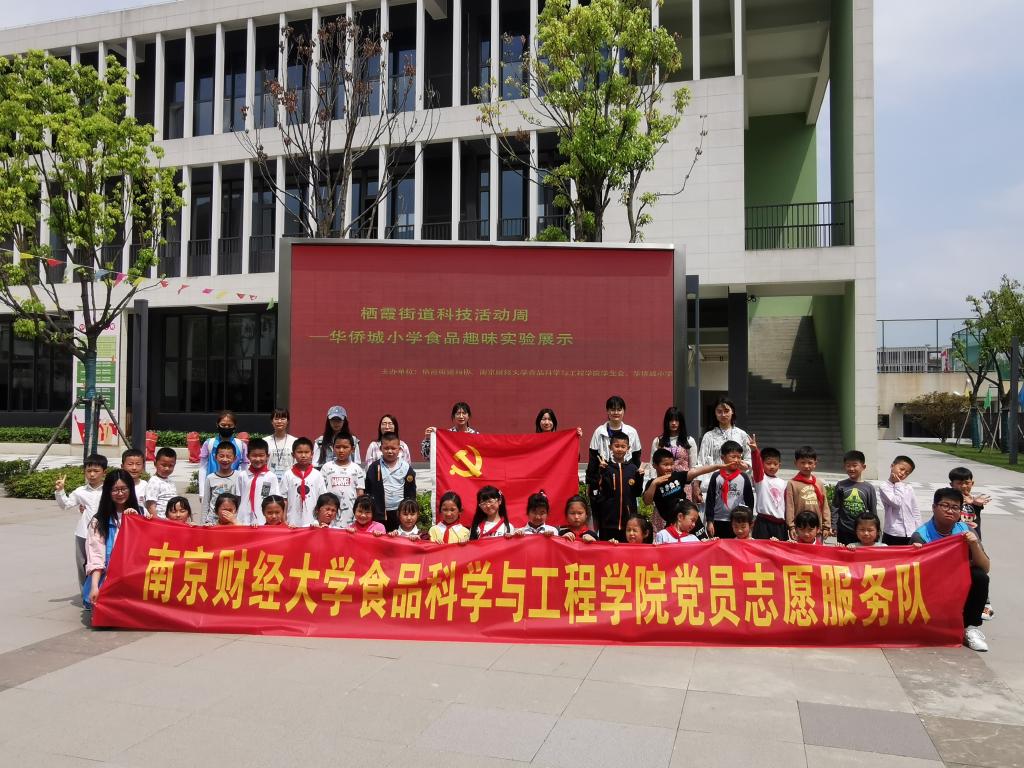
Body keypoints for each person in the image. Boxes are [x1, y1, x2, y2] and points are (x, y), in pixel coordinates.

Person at [911, 488, 991, 652]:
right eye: (945, 505)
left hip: (957, 580)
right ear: (934, 507)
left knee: (980, 577)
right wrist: (916, 554)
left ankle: (970, 627)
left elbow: (985, 567)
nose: (950, 511)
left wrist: (974, 545)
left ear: (960, 511)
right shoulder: (921, 535)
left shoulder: (966, 530)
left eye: (955, 507)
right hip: (931, 584)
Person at [84, 469, 142, 608]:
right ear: (107, 492)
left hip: (135, 576)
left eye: (124, 489)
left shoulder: (141, 513)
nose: (120, 493)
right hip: (109, 577)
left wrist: (137, 520)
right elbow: (96, 555)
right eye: (115, 490)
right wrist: (95, 586)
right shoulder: (98, 521)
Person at [643, 447, 724, 538]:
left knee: (702, 542)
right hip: (674, 524)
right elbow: (647, 501)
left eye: (671, 464)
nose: (669, 468)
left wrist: (718, 466)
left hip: (691, 519)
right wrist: (654, 483)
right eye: (665, 465)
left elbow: (697, 471)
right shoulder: (652, 484)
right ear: (655, 465)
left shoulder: (677, 476)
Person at [54, 453, 107, 588]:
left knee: (103, 563)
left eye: (96, 471)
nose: (92, 474)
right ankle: (85, 594)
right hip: (83, 534)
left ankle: (102, 591)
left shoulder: (109, 490)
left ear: (104, 472)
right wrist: (60, 491)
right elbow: (65, 505)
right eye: (89, 471)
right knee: (83, 564)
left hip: (104, 533)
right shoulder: (80, 491)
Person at [949, 466, 993, 619]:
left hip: (974, 542)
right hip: (956, 544)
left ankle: (985, 603)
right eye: (959, 483)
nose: (964, 486)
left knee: (981, 569)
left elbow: (977, 505)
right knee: (959, 571)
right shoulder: (951, 501)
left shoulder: (974, 501)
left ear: (972, 483)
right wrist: (961, 502)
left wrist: (976, 503)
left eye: (967, 483)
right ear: (951, 484)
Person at [586, 430, 645, 541]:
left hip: (628, 523)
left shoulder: (633, 469)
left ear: (628, 448)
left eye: (623, 446)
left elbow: (637, 492)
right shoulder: (606, 468)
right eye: (616, 446)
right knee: (606, 550)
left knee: (625, 550)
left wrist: (640, 477)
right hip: (608, 522)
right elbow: (599, 492)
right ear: (610, 447)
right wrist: (601, 472)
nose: (619, 449)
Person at [648, 407, 700, 523]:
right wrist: (653, 485)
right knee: (663, 516)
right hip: (664, 485)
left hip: (684, 485)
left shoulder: (689, 440)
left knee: (684, 515)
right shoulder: (658, 441)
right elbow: (652, 465)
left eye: (677, 420)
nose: (674, 423)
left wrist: (696, 487)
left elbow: (694, 467)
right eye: (671, 420)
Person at [695, 397, 751, 496]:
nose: (723, 415)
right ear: (715, 413)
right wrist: (696, 485)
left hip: (737, 484)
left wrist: (745, 465)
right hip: (713, 483)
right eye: (719, 411)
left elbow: (749, 458)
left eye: (726, 411)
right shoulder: (709, 436)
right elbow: (701, 462)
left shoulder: (742, 434)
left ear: (732, 411)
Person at [364, 431, 416, 531]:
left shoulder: (406, 468)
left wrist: (410, 508)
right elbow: (368, 490)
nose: (390, 451)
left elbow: (411, 491)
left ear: (399, 449)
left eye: (393, 448)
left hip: (400, 511)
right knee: (380, 535)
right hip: (380, 512)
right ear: (381, 449)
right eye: (386, 448)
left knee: (398, 536)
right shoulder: (375, 467)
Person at [704, 440, 755, 539]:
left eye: (739, 457)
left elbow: (749, 501)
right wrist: (709, 521)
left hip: (737, 522)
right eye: (733, 457)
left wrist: (748, 520)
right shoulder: (716, 476)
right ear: (722, 457)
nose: (736, 460)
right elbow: (710, 500)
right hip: (718, 520)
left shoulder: (743, 477)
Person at [831, 450, 879, 546]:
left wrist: (875, 530)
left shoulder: (869, 488)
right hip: (844, 529)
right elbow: (835, 506)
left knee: (860, 553)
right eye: (848, 465)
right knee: (844, 552)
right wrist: (833, 525)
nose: (851, 468)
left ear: (863, 467)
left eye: (854, 465)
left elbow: (873, 511)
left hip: (862, 530)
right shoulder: (841, 485)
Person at [197, 410, 249, 497]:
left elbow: (244, 469)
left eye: (229, 425)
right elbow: (203, 468)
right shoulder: (209, 443)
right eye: (223, 425)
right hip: (212, 489)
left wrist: (243, 491)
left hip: (233, 490)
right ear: (217, 425)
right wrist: (202, 492)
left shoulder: (241, 445)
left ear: (235, 426)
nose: (226, 427)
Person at [784, 445, 830, 541]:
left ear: (815, 464)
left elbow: (825, 506)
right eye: (802, 462)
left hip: (816, 529)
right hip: (800, 528)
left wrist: (826, 526)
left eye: (810, 463)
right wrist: (791, 526)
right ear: (796, 463)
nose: (806, 466)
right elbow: (790, 506)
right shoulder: (792, 483)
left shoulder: (819, 483)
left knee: (817, 548)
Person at [319, 433, 366, 529]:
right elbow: (321, 493)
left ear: (352, 449)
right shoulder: (326, 467)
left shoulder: (357, 469)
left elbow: (360, 494)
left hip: (350, 516)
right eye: (338, 447)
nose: (341, 450)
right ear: (333, 448)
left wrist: (358, 514)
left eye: (345, 447)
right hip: (330, 516)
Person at [749, 435, 787, 541]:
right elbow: (756, 466)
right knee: (760, 550)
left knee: (779, 550)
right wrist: (755, 451)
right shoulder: (760, 479)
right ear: (762, 463)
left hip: (780, 524)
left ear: (779, 465)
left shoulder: (784, 483)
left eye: (775, 464)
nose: (772, 466)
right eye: (768, 463)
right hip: (763, 522)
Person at [281, 437, 327, 527]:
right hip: (292, 521)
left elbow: (322, 499)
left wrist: (321, 519)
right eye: (299, 452)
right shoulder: (288, 474)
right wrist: (284, 519)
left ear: (312, 454)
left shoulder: (317, 475)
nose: (303, 455)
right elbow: (284, 499)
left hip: (313, 522)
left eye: (306, 452)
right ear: (293, 455)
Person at [588, 395, 642, 468]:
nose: (616, 412)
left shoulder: (632, 432)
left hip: (626, 472)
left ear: (623, 411)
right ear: (607, 411)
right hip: (604, 472)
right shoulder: (599, 432)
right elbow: (593, 458)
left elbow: (636, 457)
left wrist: (636, 473)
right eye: (613, 410)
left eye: (619, 410)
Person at [237, 438, 280, 526]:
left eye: (261, 455)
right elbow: (238, 497)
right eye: (254, 455)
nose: (257, 459)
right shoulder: (242, 475)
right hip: (243, 519)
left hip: (263, 520)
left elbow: (275, 499)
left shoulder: (271, 477)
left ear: (267, 456)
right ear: (248, 456)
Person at [879, 455, 919, 546]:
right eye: (901, 469)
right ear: (892, 466)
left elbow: (915, 510)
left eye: (907, 473)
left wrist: (918, 530)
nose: (902, 473)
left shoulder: (908, 488)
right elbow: (896, 503)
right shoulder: (884, 487)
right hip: (893, 533)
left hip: (910, 532)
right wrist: (898, 484)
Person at [201, 441, 243, 526]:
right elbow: (206, 503)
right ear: (215, 457)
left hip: (231, 521)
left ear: (235, 458)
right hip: (213, 522)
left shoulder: (240, 476)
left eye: (228, 456)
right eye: (221, 456)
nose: (225, 459)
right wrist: (202, 523)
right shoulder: (210, 478)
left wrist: (237, 520)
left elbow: (241, 501)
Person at [145, 448, 179, 519]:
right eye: (163, 465)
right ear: (155, 463)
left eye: (171, 466)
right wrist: (157, 521)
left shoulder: (171, 481)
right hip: (161, 520)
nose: (167, 468)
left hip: (172, 518)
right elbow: (150, 505)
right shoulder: (154, 482)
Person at [267, 407, 297, 480]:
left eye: (283, 419)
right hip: (269, 480)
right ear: (272, 421)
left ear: (288, 421)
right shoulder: (265, 441)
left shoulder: (295, 441)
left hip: (290, 480)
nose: (279, 421)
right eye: (276, 419)